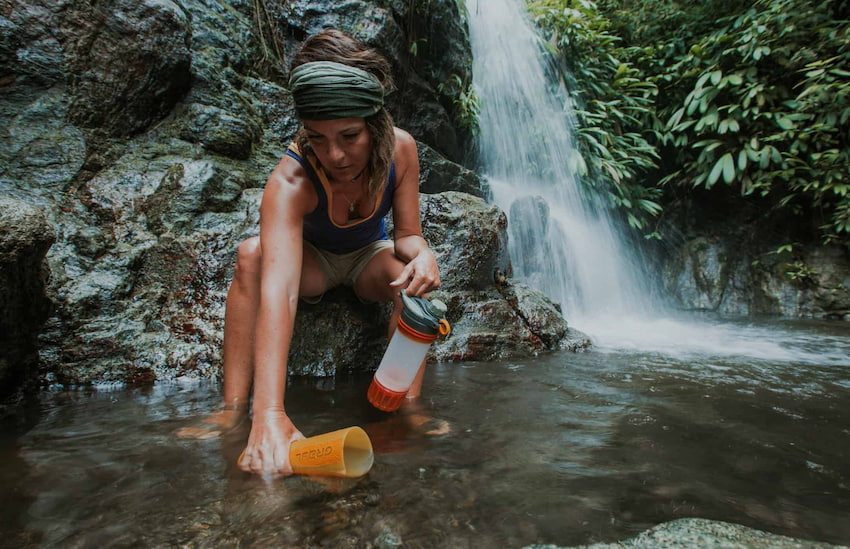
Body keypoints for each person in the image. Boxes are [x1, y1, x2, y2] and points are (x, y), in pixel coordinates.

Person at [177, 29, 442, 477]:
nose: (334, 154)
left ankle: (408, 408)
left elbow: (407, 236)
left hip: (368, 259)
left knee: (411, 281)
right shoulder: (291, 179)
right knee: (251, 256)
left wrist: (424, 254)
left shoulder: (402, 149)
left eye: (349, 136)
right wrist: (269, 417)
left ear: (374, 121)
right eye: (318, 138)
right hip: (312, 261)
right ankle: (232, 407)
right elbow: (279, 291)